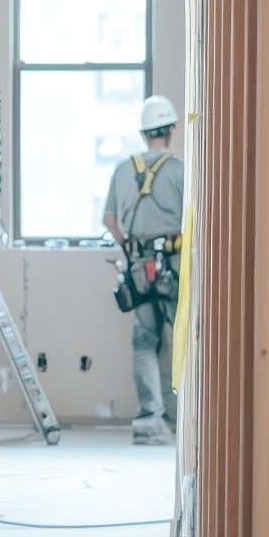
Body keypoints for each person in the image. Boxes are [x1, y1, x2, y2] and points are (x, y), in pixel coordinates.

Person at [104, 95, 184, 446]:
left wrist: (128, 247)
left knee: (143, 341)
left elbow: (108, 219)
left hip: (139, 267)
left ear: (143, 131)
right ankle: (177, 416)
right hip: (173, 266)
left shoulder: (124, 169)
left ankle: (149, 417)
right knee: (177, 338)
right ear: (171, 129)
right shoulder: (181, 170)